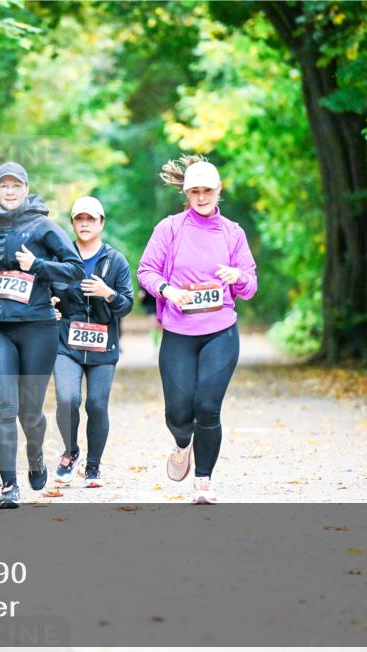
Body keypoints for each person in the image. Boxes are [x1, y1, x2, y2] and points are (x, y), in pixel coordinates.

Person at [136, 156, 257, 504]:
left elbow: (250, 285)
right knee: (178, 412)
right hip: (178, 331)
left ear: (219, 192)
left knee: (207, 406)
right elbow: (146, 271)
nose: (201, 197)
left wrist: (238, 277)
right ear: (186, 193)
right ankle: (181, 443)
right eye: (195, 191)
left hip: (221, 330)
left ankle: (203, 480)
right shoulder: (170, 228)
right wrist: (167, 290)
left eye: (207, 191)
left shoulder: (233, 232)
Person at [0, 162, 85, 509]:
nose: (9, 191)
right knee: (4, 407)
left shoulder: (45, 228)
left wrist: (36, 265)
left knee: (30, 412)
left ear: (25, 188)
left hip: (38, 327)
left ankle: (35, 454)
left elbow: (75, 270)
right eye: (3, 186)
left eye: (15, 185)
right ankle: (9, 485)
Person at [50, 196, 134, 488]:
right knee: (67, 399)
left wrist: (106, 293)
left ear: (101, 223)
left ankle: (93, 466)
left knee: (97, 405)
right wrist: (49, 306)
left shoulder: (116, 260)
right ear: (73, 223)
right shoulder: (60, 258)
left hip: (103, 343)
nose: (84, 224)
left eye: (91, 219)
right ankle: (71, 451)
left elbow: (126, 306)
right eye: (79, 219)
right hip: (66, 343)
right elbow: (42, 294)